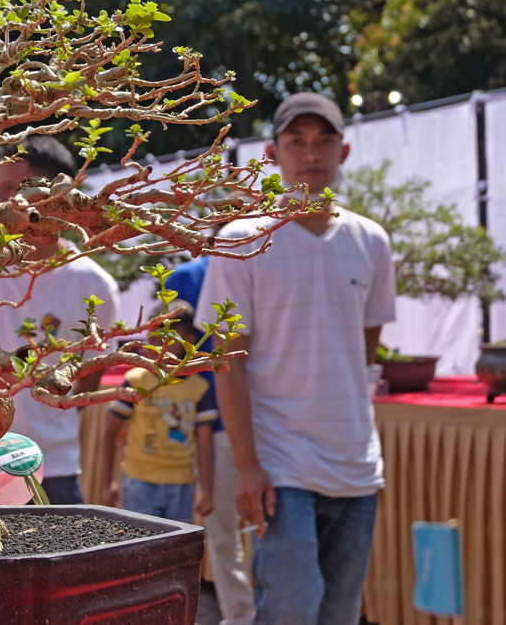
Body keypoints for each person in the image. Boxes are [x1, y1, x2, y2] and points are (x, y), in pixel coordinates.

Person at [194, 92, 397, 624]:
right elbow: (227, 361)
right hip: (280, 461)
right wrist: (248, 466)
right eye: (297, 141)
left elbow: (363, 353)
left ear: (343, 150)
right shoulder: (241, 240)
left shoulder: (371, 241)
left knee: (340, 612)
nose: (312, 153)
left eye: (324, 140)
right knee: (291, 609)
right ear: (272, 153)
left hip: (357, 462)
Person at [0, 136, 121, 504]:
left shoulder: (94, 286)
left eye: (9, 190)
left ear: (56, 195)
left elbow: (88, 384)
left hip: (54, 470)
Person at [171, 256, 256, 625]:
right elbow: (170, 338)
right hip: (214, 422)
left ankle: (250, 613)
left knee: (244, 530)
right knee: (223, 529)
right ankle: (242, 614)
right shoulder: (187, 277)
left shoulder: (272, 260)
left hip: (263, 424)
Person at [100, 300, 217, 525]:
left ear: (190, 341)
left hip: (182, 484)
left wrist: (208, 491)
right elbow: (110, 431)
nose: (157, 346)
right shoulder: (135, 380)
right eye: (153, 339)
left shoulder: (199, 389)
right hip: (138, 481)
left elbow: (205, 443)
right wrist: (108, 482)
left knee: (175, 552)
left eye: (166, 339)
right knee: (139, 548)